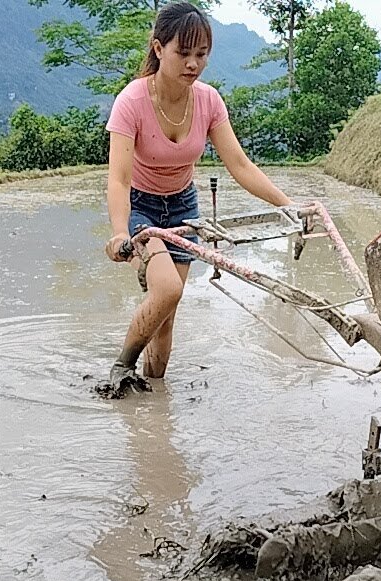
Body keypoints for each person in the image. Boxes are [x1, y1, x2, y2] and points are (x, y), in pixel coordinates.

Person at [102, 1, 293, 392]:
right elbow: (119, 179)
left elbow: (239, 165)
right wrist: (120, 232)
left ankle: (155, 396)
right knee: (168, 290)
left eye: (201, 55)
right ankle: (121, 366)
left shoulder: (208, 100)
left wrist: (287, 206)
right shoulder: (133, 101)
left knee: (167, 315)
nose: (193, 64)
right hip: (142, 207)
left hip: (183, 208)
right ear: (158, 50)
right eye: (183, 53)